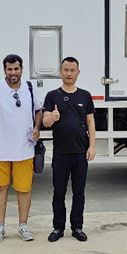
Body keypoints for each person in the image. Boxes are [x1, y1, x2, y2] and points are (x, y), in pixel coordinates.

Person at [0, 54, 42, 242]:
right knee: (1, 187)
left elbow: (38, 110)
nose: (13, 72)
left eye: (16, 69)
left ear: (21, 69)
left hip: (24, 148)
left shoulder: (29, 87)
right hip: (0, 148)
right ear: (4, 70)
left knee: (24, 189)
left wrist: (37, 128)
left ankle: (23, 226)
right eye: (9, 69)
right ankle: (0, 227)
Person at [41, 57, 96, 242]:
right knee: (59, 192)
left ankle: (77, 227)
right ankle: (58, 227)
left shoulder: (85, 95)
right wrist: (53, 117)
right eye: (66, 69)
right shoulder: (52, 96)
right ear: (60, 71)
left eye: (73, 70)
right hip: (61, 153)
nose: (69, 73)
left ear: (78, 73)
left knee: (79, 191)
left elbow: (90, 122)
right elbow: (45, 122)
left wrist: (92, 146)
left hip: (80, 152)